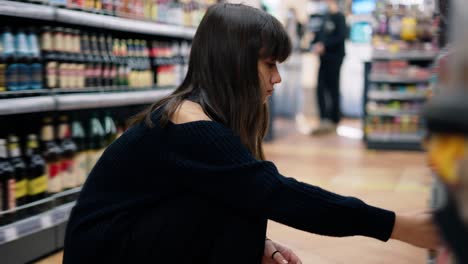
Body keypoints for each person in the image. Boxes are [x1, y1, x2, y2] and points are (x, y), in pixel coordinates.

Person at [63, 3, 439, 264]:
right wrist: (399, 225)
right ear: (236, 63)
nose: (277, 78)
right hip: (105, 253)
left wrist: (258, 242)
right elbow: (284, 196)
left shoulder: (193, 113)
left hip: (120, 240)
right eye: (270, 64)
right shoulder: (189, 124)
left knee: (244, 198)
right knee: (254, 197)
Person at [311, 0, 347, 135]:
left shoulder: (340, 17)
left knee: (333, 88)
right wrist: (314, 44)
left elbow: (340, 37)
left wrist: (324, 46)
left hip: (335, 59)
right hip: (323, 59)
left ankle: (334, 120)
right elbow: (318, 36)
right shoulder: (324, 17)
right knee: (320, 88)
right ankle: (324, 119)